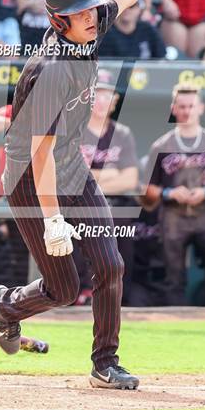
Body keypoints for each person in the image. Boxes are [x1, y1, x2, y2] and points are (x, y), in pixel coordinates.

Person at [0, 0, 178, 390]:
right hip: (33, 183)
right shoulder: (50, 68)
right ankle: (9, 305)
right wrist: (52, 220)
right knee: (63, 288)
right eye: (81, 14)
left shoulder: (86, 31)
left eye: (92, 10)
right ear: (57, 20)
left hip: (72, 169)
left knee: (111, 263)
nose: (93, 17)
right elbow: (40, 153)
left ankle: (105, 363)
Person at [143, 83, 205, 306]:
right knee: (174, 275)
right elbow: (145, 187)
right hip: (172, 217)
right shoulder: (161, 145)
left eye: (191, 106)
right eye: (182, 106)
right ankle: (178, 319)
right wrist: (169, 192)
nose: (186, 111)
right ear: (174, 108)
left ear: (201, 108)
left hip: (204, 214)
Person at [79, 69, 140, 306]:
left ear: (115, 101)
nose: (103, 101)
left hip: (115, 203)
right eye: (98, 94)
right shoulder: (76, 130)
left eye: (108, 95)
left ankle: (118, 297)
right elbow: (73, 177)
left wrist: (94, 177)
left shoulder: (122, 133)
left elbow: (131, 179)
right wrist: (112, 173)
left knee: (123, 243)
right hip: (81, 203)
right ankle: (82, 293)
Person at [99, 1, 166, 59]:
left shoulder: (147, 29)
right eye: (124, 5)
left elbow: (161, 58)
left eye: (131, 6)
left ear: (139, 9)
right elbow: (105, 64)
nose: (127, 10)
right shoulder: (106, 33)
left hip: (145, 72)